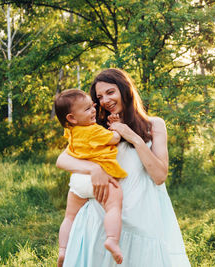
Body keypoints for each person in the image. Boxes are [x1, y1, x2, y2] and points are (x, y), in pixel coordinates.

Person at [56, 68, 190, 266]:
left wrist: (133, 137)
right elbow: (62, 160)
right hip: (102, 217)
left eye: (111, 92)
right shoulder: (97, 127)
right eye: (99, 96)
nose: (105, 101)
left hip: (142, 216)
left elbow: (159, 175)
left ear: (125, 90)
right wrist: (94, 170)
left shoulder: (154, 125)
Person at [54, 89, 127, 266]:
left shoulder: (71, 131)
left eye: (92, 106)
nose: (94, 110)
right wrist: (117, 126)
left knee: (69, 216)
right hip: (99, 179)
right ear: (72, 117)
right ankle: (112, 239)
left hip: (78, 180)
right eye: (87, 109)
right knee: (113, 206)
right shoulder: (93, 131)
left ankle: (63, 249)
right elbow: (114, 138)